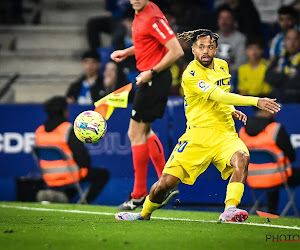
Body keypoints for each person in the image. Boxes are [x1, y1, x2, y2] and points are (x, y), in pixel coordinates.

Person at [115, 29, 280, 222]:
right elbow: (217, 95)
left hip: (224, 134)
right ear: (193, 50)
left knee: (242, 159)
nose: (205, 51)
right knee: (165, 184)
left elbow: (222, 95)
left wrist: (230, 109)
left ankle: (230, 210)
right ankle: (144, 213)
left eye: (210, 47)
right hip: (197, 137)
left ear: (216, 50)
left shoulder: (222, 66)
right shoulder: (191, 74)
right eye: (201, 47)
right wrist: (256, 101)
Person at [110, 0, 184, 210]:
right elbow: (150, 43)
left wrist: (151, 72)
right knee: (145, 132)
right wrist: (127, 52)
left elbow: (176, 50)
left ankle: (139, 194)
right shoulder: (140, 13)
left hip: (154, 79)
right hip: (150, 78)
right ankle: (166, 183)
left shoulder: (152, 16)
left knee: (135, 133)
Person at [35, 96, 109, 204]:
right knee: (102, 174)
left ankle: (59, 196)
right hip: (70, 176)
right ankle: (83, 203)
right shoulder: (67, 129)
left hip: (48, 178)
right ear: (63, 111)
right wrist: (85, 165)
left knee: (78, 174)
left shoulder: (39, 131)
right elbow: (82, 158)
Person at [239, 107, 300, 215]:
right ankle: (273, 211)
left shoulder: (242, 131)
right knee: (278, 171)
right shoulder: (275, 129)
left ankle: (272, 212)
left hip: (251, 178)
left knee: (273, 170)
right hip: (278, 177)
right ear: (267, 110)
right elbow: (292, 156)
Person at [265, 28, 300, 103]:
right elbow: (267, 77)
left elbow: (297, 82)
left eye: (295, 39)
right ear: (284, 41)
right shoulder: (279, 58)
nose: (292, 43)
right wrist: (287, 76)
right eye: (289, 39)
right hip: (278, 97)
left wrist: (278, 75)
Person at [215, 7, 247, 81]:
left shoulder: (241, 38)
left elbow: (241, 62)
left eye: (227, 18)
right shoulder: (212, 38)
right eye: (221, 18)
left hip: (233, 75)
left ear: (233, 21)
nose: (224, 21)